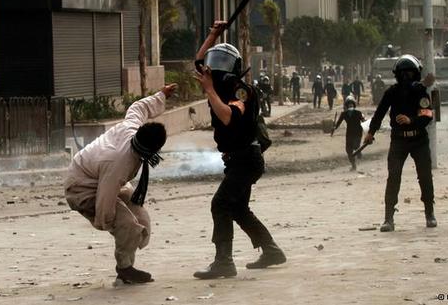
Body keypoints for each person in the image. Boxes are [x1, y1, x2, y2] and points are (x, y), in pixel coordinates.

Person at [192, 21, 286, 280]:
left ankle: (224, 261)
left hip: (247, 159)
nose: (214, 66)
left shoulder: (240, 90)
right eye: (215, 59)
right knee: (238, 208)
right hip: (236, 160)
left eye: (222, 60)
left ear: (233, 66)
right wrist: (213, 34)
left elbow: (228, 117)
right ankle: (271, 250)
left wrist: (209, 90)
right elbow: (199, 62)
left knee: (221, 204)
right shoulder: (218, 84)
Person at [64, 83, 177, 284]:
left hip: (101, 180)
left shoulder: (132, 128)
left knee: (142, 221)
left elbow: (138, 108)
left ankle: (127, 266)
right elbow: (106, 197)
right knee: (129, 226)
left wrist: (161, 94)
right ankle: (125, 268)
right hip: (82, 187)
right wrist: (107, 222)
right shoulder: (119, 162)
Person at [363, 54, 437, 232]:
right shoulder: (391, 92)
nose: (406, 77)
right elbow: (379, 114)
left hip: (419, 139)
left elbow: (427, 116)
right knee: (393, 177)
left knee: (425, 176)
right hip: (398, 140)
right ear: (398, 75)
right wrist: (371, 132)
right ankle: (388, 218)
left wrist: (411, 120)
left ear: (415, 74)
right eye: (403, 74)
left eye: (409, 73)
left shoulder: (421, 92)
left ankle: (429, 213)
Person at [333, 95, 366, 171]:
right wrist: (335, 127)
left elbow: (364, 121)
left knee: (355, 146)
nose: (350, 105)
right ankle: (353, 165)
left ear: (353, 105)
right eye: (349, 104)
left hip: (357, 133)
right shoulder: (344, 114)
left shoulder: (359, 113)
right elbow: (338, 122)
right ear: (347, 106)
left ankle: (358, 152)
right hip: (350, 133)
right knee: (348, 150)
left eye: (351, 104)